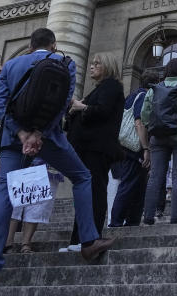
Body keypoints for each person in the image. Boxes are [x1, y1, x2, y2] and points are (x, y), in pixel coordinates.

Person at [0, 28, 114, 287]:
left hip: (12, 139)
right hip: (48, 138)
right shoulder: (65, 62)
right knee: (82, 177)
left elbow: (0, 103)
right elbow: (63, 103)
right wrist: (38, 133)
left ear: (30, 46)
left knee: (5, 193)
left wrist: (21, 134)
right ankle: (88, 241)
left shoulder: (12, 64)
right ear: (53, 45)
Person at [65, 52, 125, 247]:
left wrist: (80, 107)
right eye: (91, 63)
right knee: (87, 193)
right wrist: (75, 109)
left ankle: (88, 240)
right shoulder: (98, 89)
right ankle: (80, 240)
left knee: (95, 192)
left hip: (97, 149)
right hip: (88, 148)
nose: (92, 66)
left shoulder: (112, 86)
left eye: (96, 63)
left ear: (106, 66)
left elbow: (103, 111)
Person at [141, 57, 177, 225]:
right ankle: (176, 217)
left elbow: (145, 114)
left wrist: (153, 127)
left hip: (158, 137)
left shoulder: (154, 89)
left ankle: (148, 216)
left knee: (155, 177)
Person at [109, 72, 152, 228]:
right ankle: (116, 222)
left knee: (138, 186)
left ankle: (132, 221)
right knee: (128, 185)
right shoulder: (143, 96)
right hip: (134, 149)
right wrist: (146, 147)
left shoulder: (131, 96)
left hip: (125, 147)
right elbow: (139, 123)